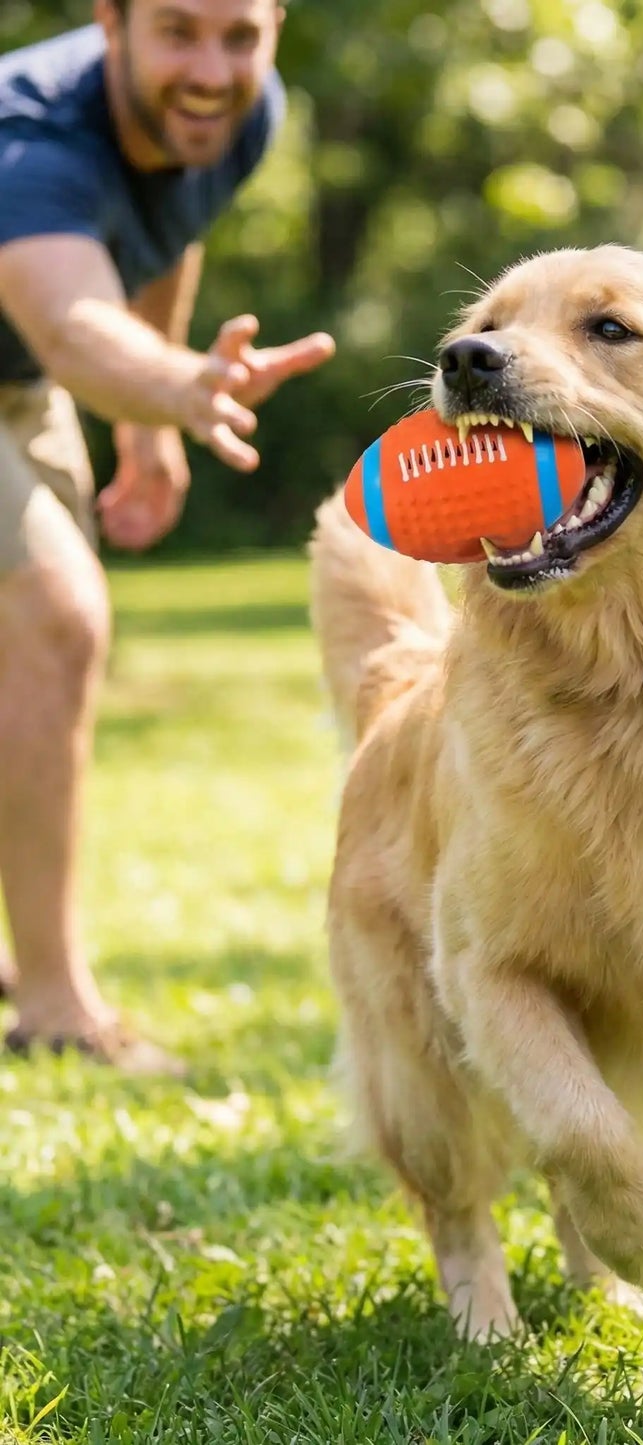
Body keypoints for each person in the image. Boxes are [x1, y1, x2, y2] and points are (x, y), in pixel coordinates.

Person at [0, 0, 334, 1074]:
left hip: (23, 381)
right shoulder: (32, 143)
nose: (211, 68)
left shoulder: (240, 110)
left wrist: (153, 424)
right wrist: (174, 387)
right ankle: (54, 1004)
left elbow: (160, 240)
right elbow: (72, 325)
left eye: (239, 36)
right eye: (178, 32)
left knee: (27, 646)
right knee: (54, 619)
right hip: (46, 351)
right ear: (112, 24)